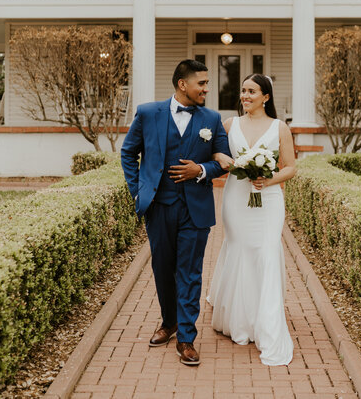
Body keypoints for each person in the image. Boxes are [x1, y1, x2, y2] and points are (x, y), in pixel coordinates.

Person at [120, 59, 231, 366]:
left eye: (207, 84)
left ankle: (186, 338)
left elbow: (223, 158)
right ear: (183, 84)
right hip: (159, 206)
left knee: (190, 273)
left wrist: (201, 170)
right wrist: (138, 189)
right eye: (202, 83)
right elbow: (129, 153)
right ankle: (169, 322)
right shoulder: (147, 113)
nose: (207, 89)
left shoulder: (211, 117)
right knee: (163, 268)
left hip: (195, 210)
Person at [207, 73, 297, 366]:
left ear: (266, 97)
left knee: (267, 252)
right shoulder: (230, 125)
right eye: (243, 91)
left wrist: (268, 179)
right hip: (236, 199)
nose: (245, 96)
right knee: (241, 249)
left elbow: (291, 168)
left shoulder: (279, 128)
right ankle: (240, 320)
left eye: (252, 91)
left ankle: (268, 323)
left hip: (268, 200)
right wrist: (224, 160)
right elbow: (215, 151)